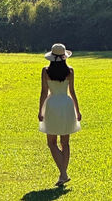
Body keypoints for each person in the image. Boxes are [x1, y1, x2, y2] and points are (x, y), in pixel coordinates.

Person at [38, 42, 81, 186]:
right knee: (65, 142)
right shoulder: (70, 71)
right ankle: (63, 174)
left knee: (51, 142)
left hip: (52, 105)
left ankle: (63, 173)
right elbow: (72, 92)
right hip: (66, 105)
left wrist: (40, 110)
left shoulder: (45, 71)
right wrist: (77, 110)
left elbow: (44, 92)